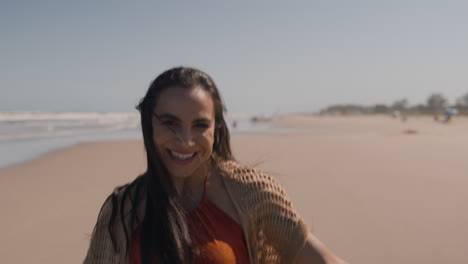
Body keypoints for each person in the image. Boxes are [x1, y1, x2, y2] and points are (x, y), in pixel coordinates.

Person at [84, 67, 345, 264]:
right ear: (149, 126)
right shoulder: (122, 209)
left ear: (215, 129)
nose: (186, 141)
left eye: (200, 125)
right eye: (170, 123)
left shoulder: (252, 193)